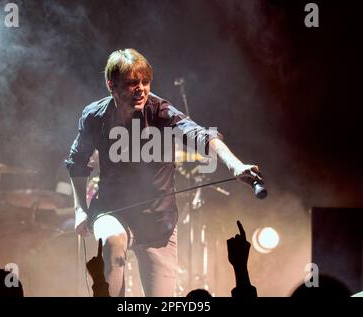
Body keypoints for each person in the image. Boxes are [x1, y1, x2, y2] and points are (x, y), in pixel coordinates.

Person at [65, 48, 262, 297]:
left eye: (145, 82)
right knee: (113, 242)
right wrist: (80, 208)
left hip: (157, 220)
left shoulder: (160, 111)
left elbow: (200, 135)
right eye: (131, 83)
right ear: (111, 85)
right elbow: (77, 162)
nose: (141, 89)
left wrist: (235, 165)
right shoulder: (95, 116)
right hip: (112, 210)